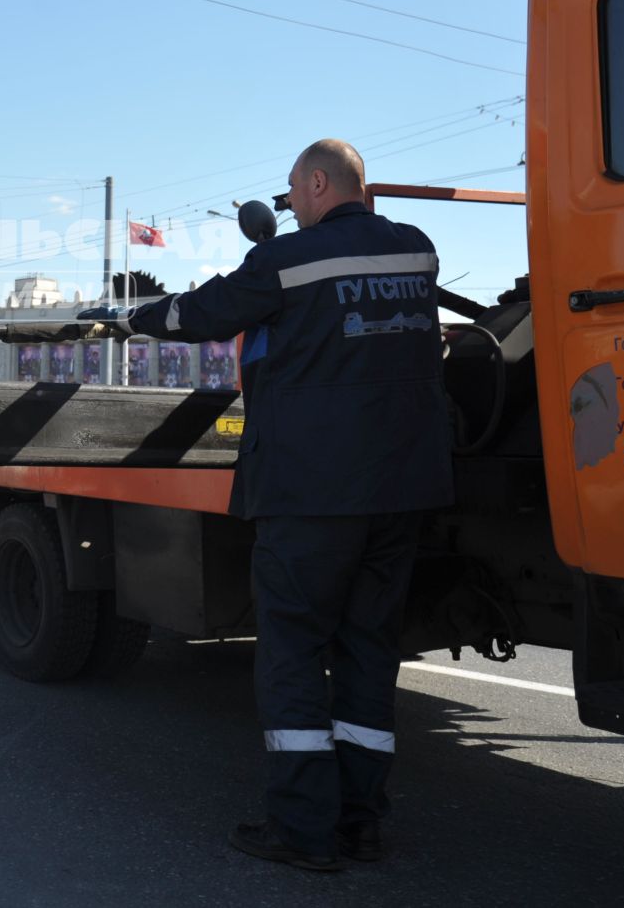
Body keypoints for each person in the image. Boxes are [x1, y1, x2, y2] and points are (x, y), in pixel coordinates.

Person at [96, 139, 451, 872]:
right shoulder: (417, 253)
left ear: (318, 183)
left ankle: (302, 827)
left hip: (311, 492)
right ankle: (361, 819)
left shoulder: (288, 260)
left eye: (293, 195)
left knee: (291, 655)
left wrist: (130, 320)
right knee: (366, 657)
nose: (291, 208)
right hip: (402, 491)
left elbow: (204, 311)